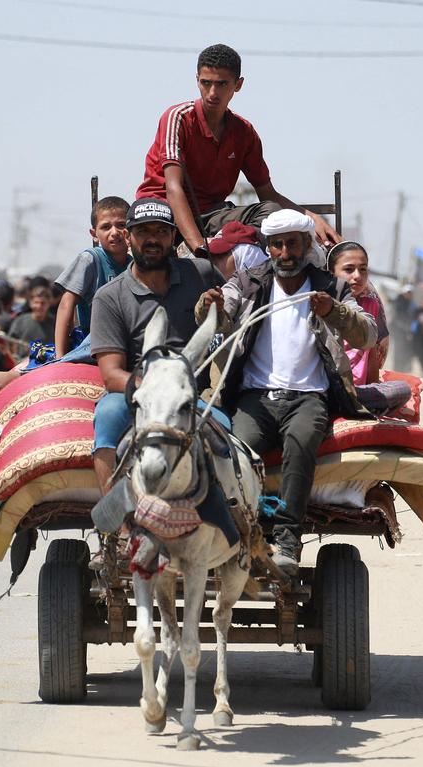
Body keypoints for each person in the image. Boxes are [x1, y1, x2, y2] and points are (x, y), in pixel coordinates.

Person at [199, 210, 376, 575]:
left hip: (309, 398)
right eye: (276, 245)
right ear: (268, 247)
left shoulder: (330, 286)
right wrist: (210, 307)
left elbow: (368, 333)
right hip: (255, 397)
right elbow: (216, 316)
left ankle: (287, 539)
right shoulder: (249, 282)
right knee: (237, 450)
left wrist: (335, 313)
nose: (284, 252)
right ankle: (236, 535)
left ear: (306, 244)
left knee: (301, 442)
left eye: (292, 243)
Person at [136, 43, 340, 258]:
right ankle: (220, 248)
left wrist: (310, 218)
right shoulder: (178, 118)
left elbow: (268, 195)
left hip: (211, 216)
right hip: (163, 212)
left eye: (222, 84)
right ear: (197, 79)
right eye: (206, 83)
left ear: (238, 84)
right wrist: (200, 248)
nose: (212, 93)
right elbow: (173, 188)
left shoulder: (243, 132)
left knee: (272, 213)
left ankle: (241, 254)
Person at [89, 198, 226, 492]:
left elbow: (229, 321)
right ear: (128, 237)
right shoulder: (109, 297)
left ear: (173, 237)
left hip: (190, 395)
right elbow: (112, 374)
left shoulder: (201, 274)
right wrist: (156, 390)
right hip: (137, 392)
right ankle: (115, 522)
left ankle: (223, 516)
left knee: (224, 430)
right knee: (108, 416)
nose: (152, 239)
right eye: (143, 232)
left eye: (161, 232)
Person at [53, 197, 132, 358]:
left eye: (121, 225)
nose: (114, 232)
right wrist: (60, 356)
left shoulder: (136, 265)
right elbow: (66, 305)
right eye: (106, 227)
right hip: (91, 342)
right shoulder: (90, 259)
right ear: (94, 234)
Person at [327, 241, 389, 384]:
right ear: (331, 273)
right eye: (349, 269)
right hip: (331, 387)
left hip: (359, 389)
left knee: (402, 390)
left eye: (363, 269)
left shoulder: (371, 304)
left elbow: (371, 352)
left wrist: (374, 389)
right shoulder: (323, 304)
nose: (357, 276)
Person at [390, 285, 415, 373]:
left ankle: (401, 369)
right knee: (399, 351)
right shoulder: (399, 302)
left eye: (411, 293)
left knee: (404, 351)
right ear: (404, 293)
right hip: (398, 330)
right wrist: (406, 329)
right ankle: (397, 369)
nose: (410, 295)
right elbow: (397, 317)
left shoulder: (409, 303)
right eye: (408, 293)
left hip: (404, 330)